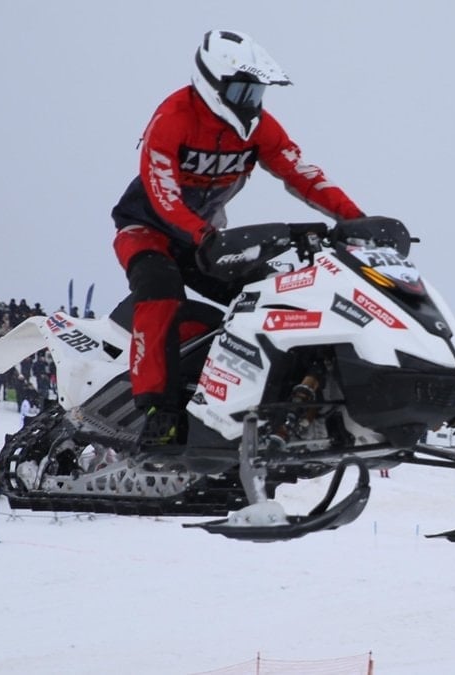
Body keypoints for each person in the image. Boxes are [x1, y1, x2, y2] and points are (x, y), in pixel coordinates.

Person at [110, 29, 364, 446]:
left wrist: (356, 220)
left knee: (269, 290)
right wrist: (202, 235)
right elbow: (162, 193)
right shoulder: (172, 118)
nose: (252, 101)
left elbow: (302, 173)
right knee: (160, 289)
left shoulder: (259, 128)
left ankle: (276, 395)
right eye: (244, 90)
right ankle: (157, 408)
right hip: (147, 228)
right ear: (213, 84)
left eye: (257, 91)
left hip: (204, 235)